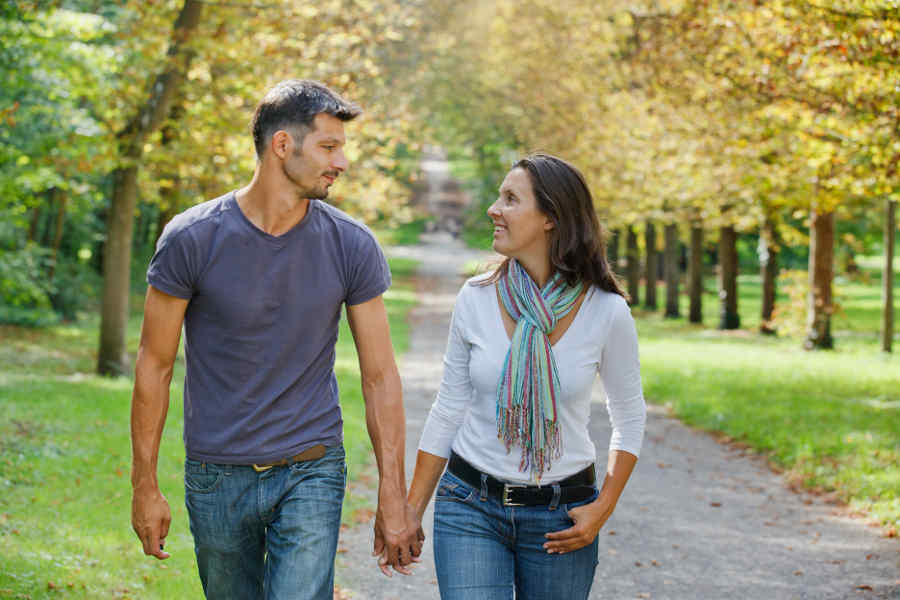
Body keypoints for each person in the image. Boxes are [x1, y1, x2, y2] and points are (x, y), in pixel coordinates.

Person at [129, 79, 420, 600]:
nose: (342, 162)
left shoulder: (350, 244)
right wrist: (144, 486)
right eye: (329, 147)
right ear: (282, 145)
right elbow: (154, 365)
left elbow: (379, 377)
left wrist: (392, 495)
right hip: (217, 474)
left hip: (311, 469)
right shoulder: (191, 238)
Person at [403, 153, 647, 599]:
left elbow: (629, 417)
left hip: (562, 516)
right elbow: (448, 406)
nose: (493, 209)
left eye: (510, 199)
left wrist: (602, 507)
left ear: (551, 217)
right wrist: (411, 510)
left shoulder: (606, 311)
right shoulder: (475, 297)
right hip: (469, 505)